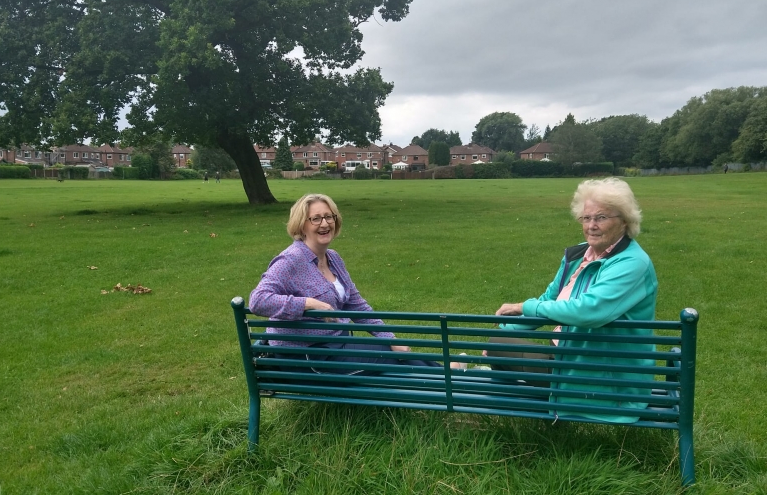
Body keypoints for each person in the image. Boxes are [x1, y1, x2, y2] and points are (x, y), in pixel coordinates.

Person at [485, 177, 658, 423]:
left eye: (601, 218)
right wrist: (508, 328)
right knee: (499, 341)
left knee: (498, 345)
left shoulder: (632, 264)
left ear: (624, 221)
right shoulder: (578, 255)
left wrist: (523, 309)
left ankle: (531, 414)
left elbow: (590, 311)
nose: (591, 226)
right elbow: (550, 299)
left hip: (603, 378)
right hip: (570, 359)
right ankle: (532, 410)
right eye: (586, 218)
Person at [249, 193, 446, 374]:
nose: (325, 223)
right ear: (302, 225)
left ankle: (450, 377)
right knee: (391, 357)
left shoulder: (333, 258)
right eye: (316, 218)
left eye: (329, 217)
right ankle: (451, 380)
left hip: (336, 344)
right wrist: (308, 303)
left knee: (394, 350)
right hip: (309, 356)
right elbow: (258, 300)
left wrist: (390, 337)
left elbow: (357, 306)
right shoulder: (291, 260)